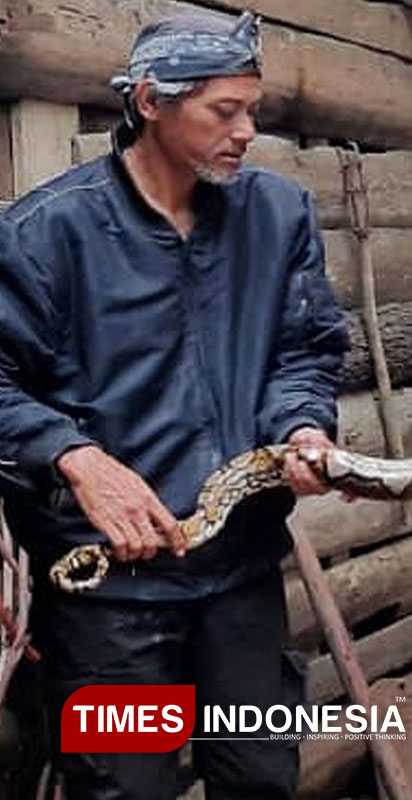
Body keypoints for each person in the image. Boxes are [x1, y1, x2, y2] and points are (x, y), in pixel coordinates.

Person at [0, 11, 347, 798]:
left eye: (252, 110)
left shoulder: (277, 215)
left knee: (259, 778)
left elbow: (304, 349)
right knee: (127, 788)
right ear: (151, 102)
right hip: (109, 601)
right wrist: (74, 457)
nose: (246, 131)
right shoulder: (44, 235)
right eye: (224, 111)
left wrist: (300, 425)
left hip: (241, 578)